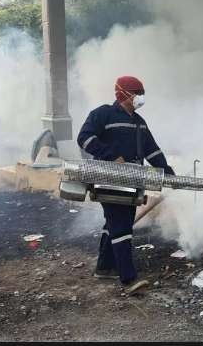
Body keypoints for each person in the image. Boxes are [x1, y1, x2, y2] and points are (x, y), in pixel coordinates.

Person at [76, 75, 175, 294]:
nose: (141, 97)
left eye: (142, 93)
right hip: (108, 178)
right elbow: (84, 138)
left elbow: (152, 150)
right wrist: (111, 155)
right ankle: (128, 279)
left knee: (116, 223)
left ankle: (104, 268)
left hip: (133, 180)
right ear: (124, 94)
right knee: (120, 224)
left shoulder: (139, 122)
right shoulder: (103, 114)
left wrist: (166, 171)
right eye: (137, 93)